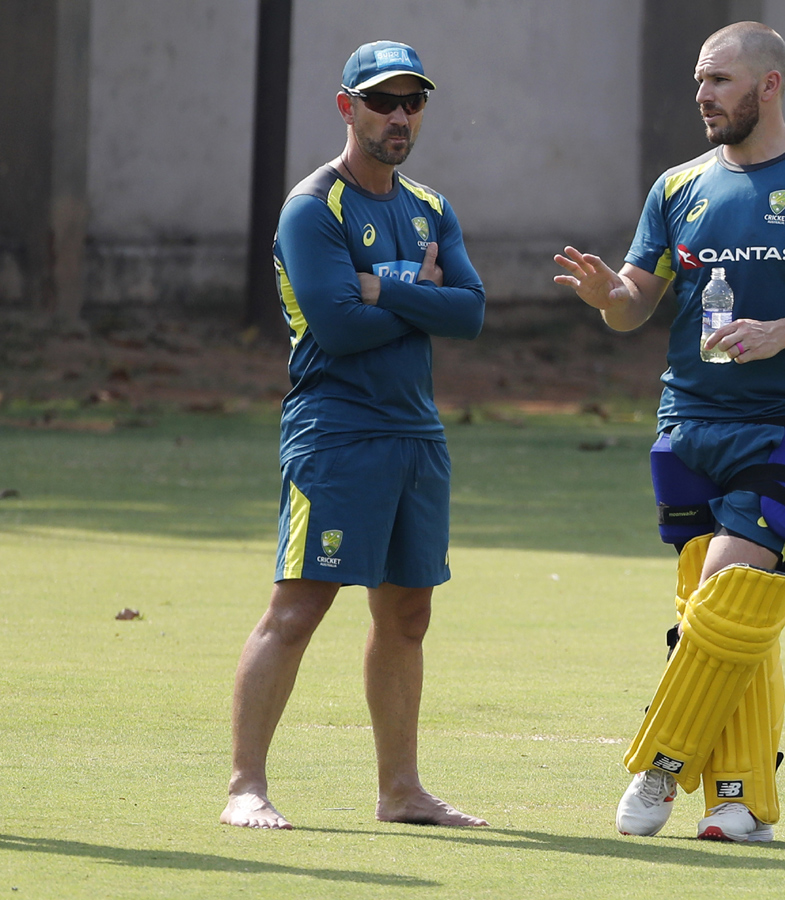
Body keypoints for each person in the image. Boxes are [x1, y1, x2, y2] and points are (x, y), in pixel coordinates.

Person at [554, 22, 785, 843]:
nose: (702, 95)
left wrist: (784, 331)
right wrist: (610, 296)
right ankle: (741, 803)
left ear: (768, 85)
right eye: (699, 81)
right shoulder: (677, 185)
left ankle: (660, 763)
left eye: (719, 80)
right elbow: (638, 305)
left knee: (730, 599)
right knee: (731, 621)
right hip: (688, 424)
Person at [221, 40, 487, 830]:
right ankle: (244, 785)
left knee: (407, 616)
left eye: (413, 102)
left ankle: (400, 790)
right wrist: (415, 286)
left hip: (416, 432)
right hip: (335, 431)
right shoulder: (314, 207)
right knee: (299, 608)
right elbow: (336, 326)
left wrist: (380, 286)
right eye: (383, 101)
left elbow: (471, 311)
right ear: (348, 108)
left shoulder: (431, 206)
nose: (400, 116)